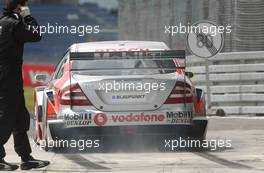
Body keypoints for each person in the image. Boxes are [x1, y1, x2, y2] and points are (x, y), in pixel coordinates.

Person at [0, 0, 49, 171]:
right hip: (8, 76)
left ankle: (26, 158)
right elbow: (36, 35)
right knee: (5, 118)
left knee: (20, 118)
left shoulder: (3, 22)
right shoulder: (13, 23)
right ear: (19, 6)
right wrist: (27, 16)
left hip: (8, 75)